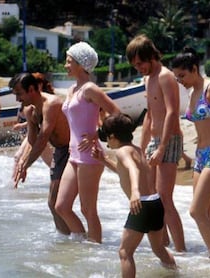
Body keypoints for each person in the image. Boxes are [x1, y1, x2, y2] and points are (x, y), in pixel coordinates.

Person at [91, 113, 176, 277]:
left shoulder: (122, 152)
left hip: (142, 205)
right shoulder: (136, 149)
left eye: (107, 139)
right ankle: (176, 273)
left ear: (113, 136)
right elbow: (124, 172)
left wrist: (135, 192)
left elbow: (133, 170)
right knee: (158, 249)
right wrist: (103, 160)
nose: (107, 143)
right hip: (155, 203)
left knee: (124, 252)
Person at [172, 47, 210, 258]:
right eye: (176, 76)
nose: (180, 80)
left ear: (194, 69)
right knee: (205, 212)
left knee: (196, 211)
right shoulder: (192, 93)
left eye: (182, 75)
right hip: (200, 156)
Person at [55, 41, 120, 243]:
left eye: (68, 61)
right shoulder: (72, 89)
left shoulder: (90, 89)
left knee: (88, 209)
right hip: (73, 154)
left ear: (81, 63)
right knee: (61, 207)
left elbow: (117, 114)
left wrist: (96, 134)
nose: (65, 65)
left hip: (89, 155)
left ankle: (95, 251)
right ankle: (82, 248)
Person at [126, 35, 186, 252]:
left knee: (165, 198)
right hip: (153, 139)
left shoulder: (165, 76)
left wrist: (161, 147)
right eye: (135, 65)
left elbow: (172, 112)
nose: (138, 68)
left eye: (140, 63)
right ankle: (164, 242)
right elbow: (150, 115)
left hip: (169, 140)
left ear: (151, 56)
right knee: (150, 195)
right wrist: (141, 148)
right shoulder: (149, 78)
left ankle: (181, 250)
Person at [10, 72, 71, 235]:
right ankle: (66, 240)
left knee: (61, 204)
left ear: (31, 89)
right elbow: (31, 139)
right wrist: (22, 162)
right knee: (53, 204)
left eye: (19, 94)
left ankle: (81, 239)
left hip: (73, 150)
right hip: (60, 153)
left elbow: (43, 137)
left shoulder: (51, 103)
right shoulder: (29, 111)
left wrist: (26, 165)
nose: (17, 99)